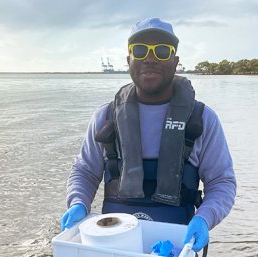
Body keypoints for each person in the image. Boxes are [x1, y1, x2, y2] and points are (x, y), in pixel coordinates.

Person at [61, 17, 236, 253]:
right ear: (128, 60)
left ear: (175, 61)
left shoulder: (203, 119)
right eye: (140, 50)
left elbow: (221, 182)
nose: (150, 58)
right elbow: (85, 171)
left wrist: (204, 218)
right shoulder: (105, 117)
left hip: (178, 246)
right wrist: (78, 203)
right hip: (111, 245)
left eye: (162, 51)